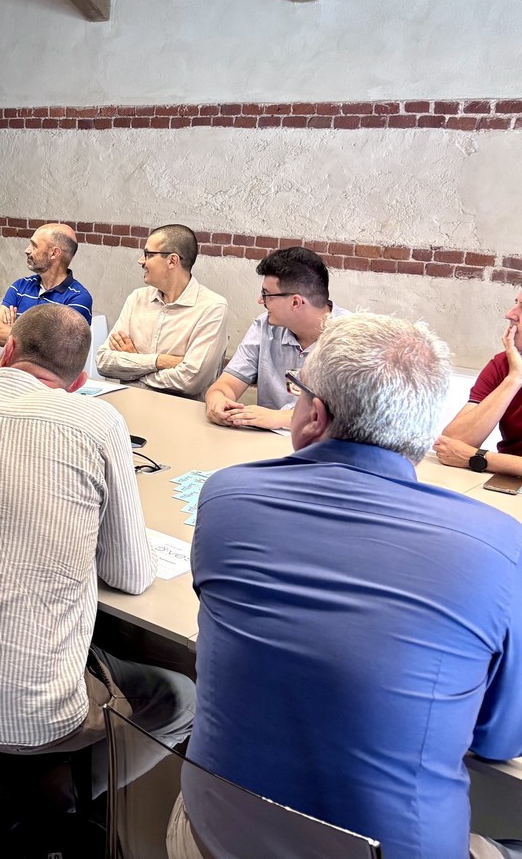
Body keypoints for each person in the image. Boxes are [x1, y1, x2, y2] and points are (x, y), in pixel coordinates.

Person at [186, 313, 522, 859]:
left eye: (296, 391)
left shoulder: (226, 496)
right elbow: (501, 739)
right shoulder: (499, 546)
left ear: (314, 415)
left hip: (211, 837)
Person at [0, 304, 194, 806]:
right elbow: (130, 575)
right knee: (180, 698)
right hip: (31, 716)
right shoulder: (98, 421)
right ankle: (46, 804)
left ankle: (7, 788)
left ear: (8, 349)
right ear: (78, 382)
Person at [204, 245, 346, 431]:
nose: (260, 301)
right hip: (264, 442)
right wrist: (217, 400)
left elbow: (350, 416)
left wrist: (282, 418)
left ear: (295, 302)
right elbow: (227, 384)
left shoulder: (352, 337)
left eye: (266, 294)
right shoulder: (264, 326)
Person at [94, 224, 227, 399]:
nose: (141, 261)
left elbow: (189, 381)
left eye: (148, 254)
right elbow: (103, 362)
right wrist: (160, 361)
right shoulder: (137, 298)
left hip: (178, 412)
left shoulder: (212, 307)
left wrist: (135, 364)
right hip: (129, 404)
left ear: (172, 261)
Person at [435, 289, 522, 475]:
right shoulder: (505, 364)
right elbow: (451, 446)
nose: (510, 314)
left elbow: (463, 453)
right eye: (516, 303)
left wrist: (480, 458)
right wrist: (514, 378)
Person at [0, 223, 92, 347]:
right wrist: (38, 337)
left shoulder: (78, 298)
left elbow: (55, 347)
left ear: (54, 253)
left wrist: (15, 329)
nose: (27, 250)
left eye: (34, 245)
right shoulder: (20, 286)